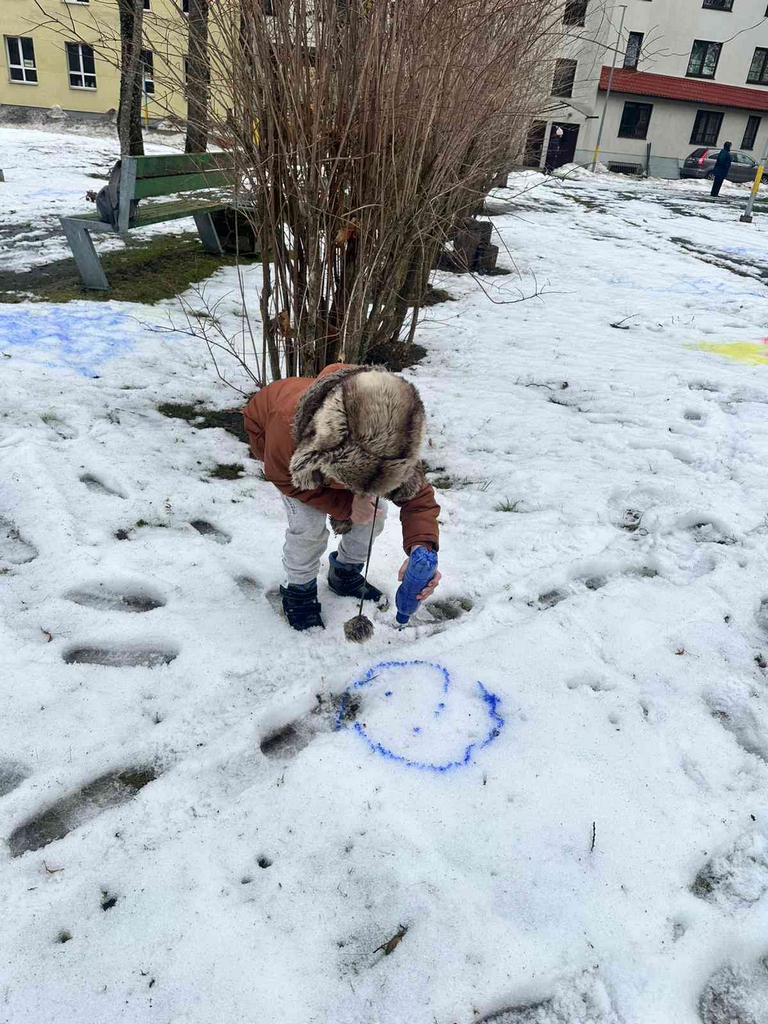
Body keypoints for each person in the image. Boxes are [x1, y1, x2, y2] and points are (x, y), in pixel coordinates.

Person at [243, 363, 442, 631]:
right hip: (282, 450)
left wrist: (422, 548)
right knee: (307, 527)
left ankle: (344, 573)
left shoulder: (395, 429)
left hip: (335, 457)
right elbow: (284, 477)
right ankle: (300, 590)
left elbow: (417, 497)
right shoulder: (287, 426)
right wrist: (346, 507)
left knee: (375, 515)